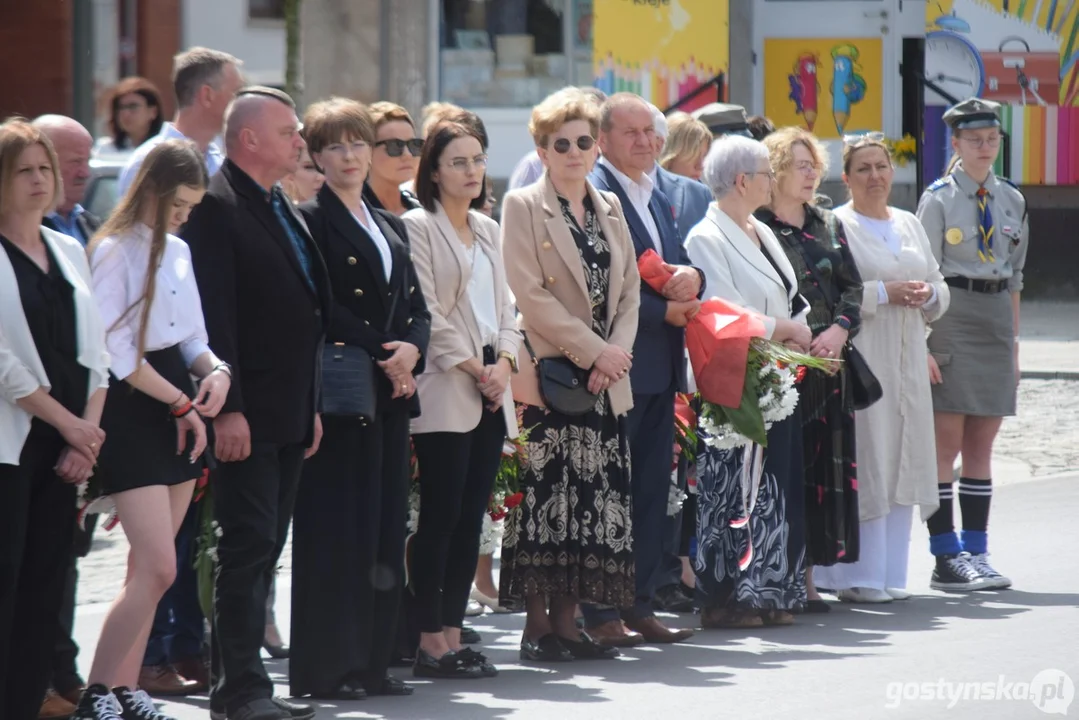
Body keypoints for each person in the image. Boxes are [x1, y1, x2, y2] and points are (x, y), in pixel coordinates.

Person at [183, 86, 330, 720]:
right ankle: (238, 692)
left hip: (290, 412)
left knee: (266, 550)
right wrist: (231, 409)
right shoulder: (218, 208)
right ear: (249, 139)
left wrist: (312, 405)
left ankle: (250, 687)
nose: (300, 141)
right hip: (248, 414)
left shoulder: (278, 203)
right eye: (289, 131)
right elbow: (217, 319)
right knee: (244, 550)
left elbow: (306, 314)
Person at [72, 140, 227, 720]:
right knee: (159, 563)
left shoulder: (181, 251)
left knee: (150, 569)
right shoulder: (112, 250)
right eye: (180, 203)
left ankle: (124, 687)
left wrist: (217, 373)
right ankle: (96, 692)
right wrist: (183, 404)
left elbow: (192, 339)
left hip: (175, 397)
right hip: (136, 406)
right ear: (154, 192)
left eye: (193, 204)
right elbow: (115, 351)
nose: (186, 214)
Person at [290, 97, 430, 701]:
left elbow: (418, 308)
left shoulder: (390, 222)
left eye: (357, 145)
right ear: (317, 156)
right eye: (336, 147)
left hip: (393, 390)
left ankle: (373, 663)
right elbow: (322, 306)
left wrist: (412, 351)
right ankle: (329, 667)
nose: (349, 157)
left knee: (382, 528)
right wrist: (386, 350)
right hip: (347, 393)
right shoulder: (309, 219)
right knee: (337, 530)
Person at [499, 86, 641, 661]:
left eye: (585, 141)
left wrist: (617, 354)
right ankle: (538, 629)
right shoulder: (522, 206)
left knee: (590, 503)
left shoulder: (608, 205)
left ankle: (570, 622)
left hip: (606, 379)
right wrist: (594, 352)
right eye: (562, 143)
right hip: (554, 376)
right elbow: (529, 296)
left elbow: (629, 290)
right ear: (542, 148)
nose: (576, 151)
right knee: (544, 502)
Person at [0, 117, 109, 720]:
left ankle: (25, 702)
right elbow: (3, 363)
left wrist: (86, 434)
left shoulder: (68, 247)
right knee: (7, 576)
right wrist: (66, 422)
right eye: (25, 171)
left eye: (45, 168)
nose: (41, 180)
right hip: (13, 441)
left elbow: (97, 351)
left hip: (69, 442)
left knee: (49, 580)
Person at [583, 92, 701, 646]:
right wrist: (665, 310)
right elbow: (599, 285)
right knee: (611, 492)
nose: (645, 142)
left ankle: (640, 603)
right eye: (630, 133)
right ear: (603, 139)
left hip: (661, 367)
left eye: (651, 132)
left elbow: (674, 258)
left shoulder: (654, 193)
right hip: (618, 364)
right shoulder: (596, 191)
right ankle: (600, 612)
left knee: (653, 491)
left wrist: (692, 280)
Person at [403, 121, 521, 679]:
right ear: (433, 170)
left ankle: (452, 632)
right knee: (441, 516)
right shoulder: (417, 226)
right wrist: (477, 367)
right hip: (447, 385)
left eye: (477, 160)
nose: (472, 171)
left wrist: (503, 366)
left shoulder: (488, 228)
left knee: (471, 517)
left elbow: (508, 311)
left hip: (492, 388)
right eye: (458, 162)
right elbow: (429, 312)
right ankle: (428, 636)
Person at [684, 134, 813, 628]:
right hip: (735, 376)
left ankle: (773, 589)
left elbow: (787, 291)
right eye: (766, 173)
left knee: (774, 482)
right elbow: (721, 307)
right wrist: (783, 329)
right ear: (742, 181)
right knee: (736, 487)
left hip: (776, 371)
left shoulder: (759, 228)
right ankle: (728, 598)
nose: (773, 181)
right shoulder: (706, 236)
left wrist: (798, 326)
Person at [814, 134, 950, 600]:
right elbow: (832, 292)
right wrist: (882, 294)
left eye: (881, 166)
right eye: (864, 169)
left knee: (905, 456)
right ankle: (854, 575)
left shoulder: (909, 222)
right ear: (847, 177)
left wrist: (929, 295)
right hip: (866, 352)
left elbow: (937, 281)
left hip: (909, 352)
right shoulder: (838, 224)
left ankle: (891, 572)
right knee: (871, 453)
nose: (875, 176)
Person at [917, 97, 1027, 591]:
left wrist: (1014, 345)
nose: (985, 148)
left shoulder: (1012, 199)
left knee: (982, 443)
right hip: (951, 315)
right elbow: (923, 273)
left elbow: (1017, 276)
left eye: (992, 139)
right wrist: (922, 344)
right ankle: (946, 556)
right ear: (956, 143)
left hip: (995, 315)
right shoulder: (938, 198)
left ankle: (978, 551)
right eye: (974, 140)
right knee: (947, 442)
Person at [756, 127, 863, 609]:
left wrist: (840, 329)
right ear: (774, 171)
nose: (810, 173)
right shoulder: (756, 227)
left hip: (830, 362)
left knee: (825, 473)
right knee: (786, 472)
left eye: (813, 164)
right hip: (782, 365)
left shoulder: (828, 223)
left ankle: (811, 577)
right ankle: (782, 574)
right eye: (800, 165)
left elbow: (852, 287)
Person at [118, 47, 244, 196]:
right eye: (236, 93)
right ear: (207, 95)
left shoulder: (221, 163)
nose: (241, 102)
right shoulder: (148, 163)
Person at [508, 86, 607, 191]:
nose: (574, 152)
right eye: (562, 144)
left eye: (584, 141)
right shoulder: (532, 165)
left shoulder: (606, 166)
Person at [34, 115, 98, 247]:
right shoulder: (23, 231)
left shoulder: (91, 224)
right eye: (76, 161)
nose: (85, 173)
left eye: (87, 161)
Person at [363, 102, 423, 215]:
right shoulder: (357, 213)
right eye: (394, 146)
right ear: (368, 152)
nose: (408, 155)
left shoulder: (421, 212)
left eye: (413, 144)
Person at [93, 77, 165, 158]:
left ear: (153, 112)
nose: (125, 113)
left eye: (133, 106)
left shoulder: (165, 149)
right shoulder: (105, 150)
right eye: (121, 107)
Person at [659, 112, 712, 182]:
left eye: (704, 156)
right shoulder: (645, 190)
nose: (700, 166)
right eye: (694, 154)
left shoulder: (702, 191)